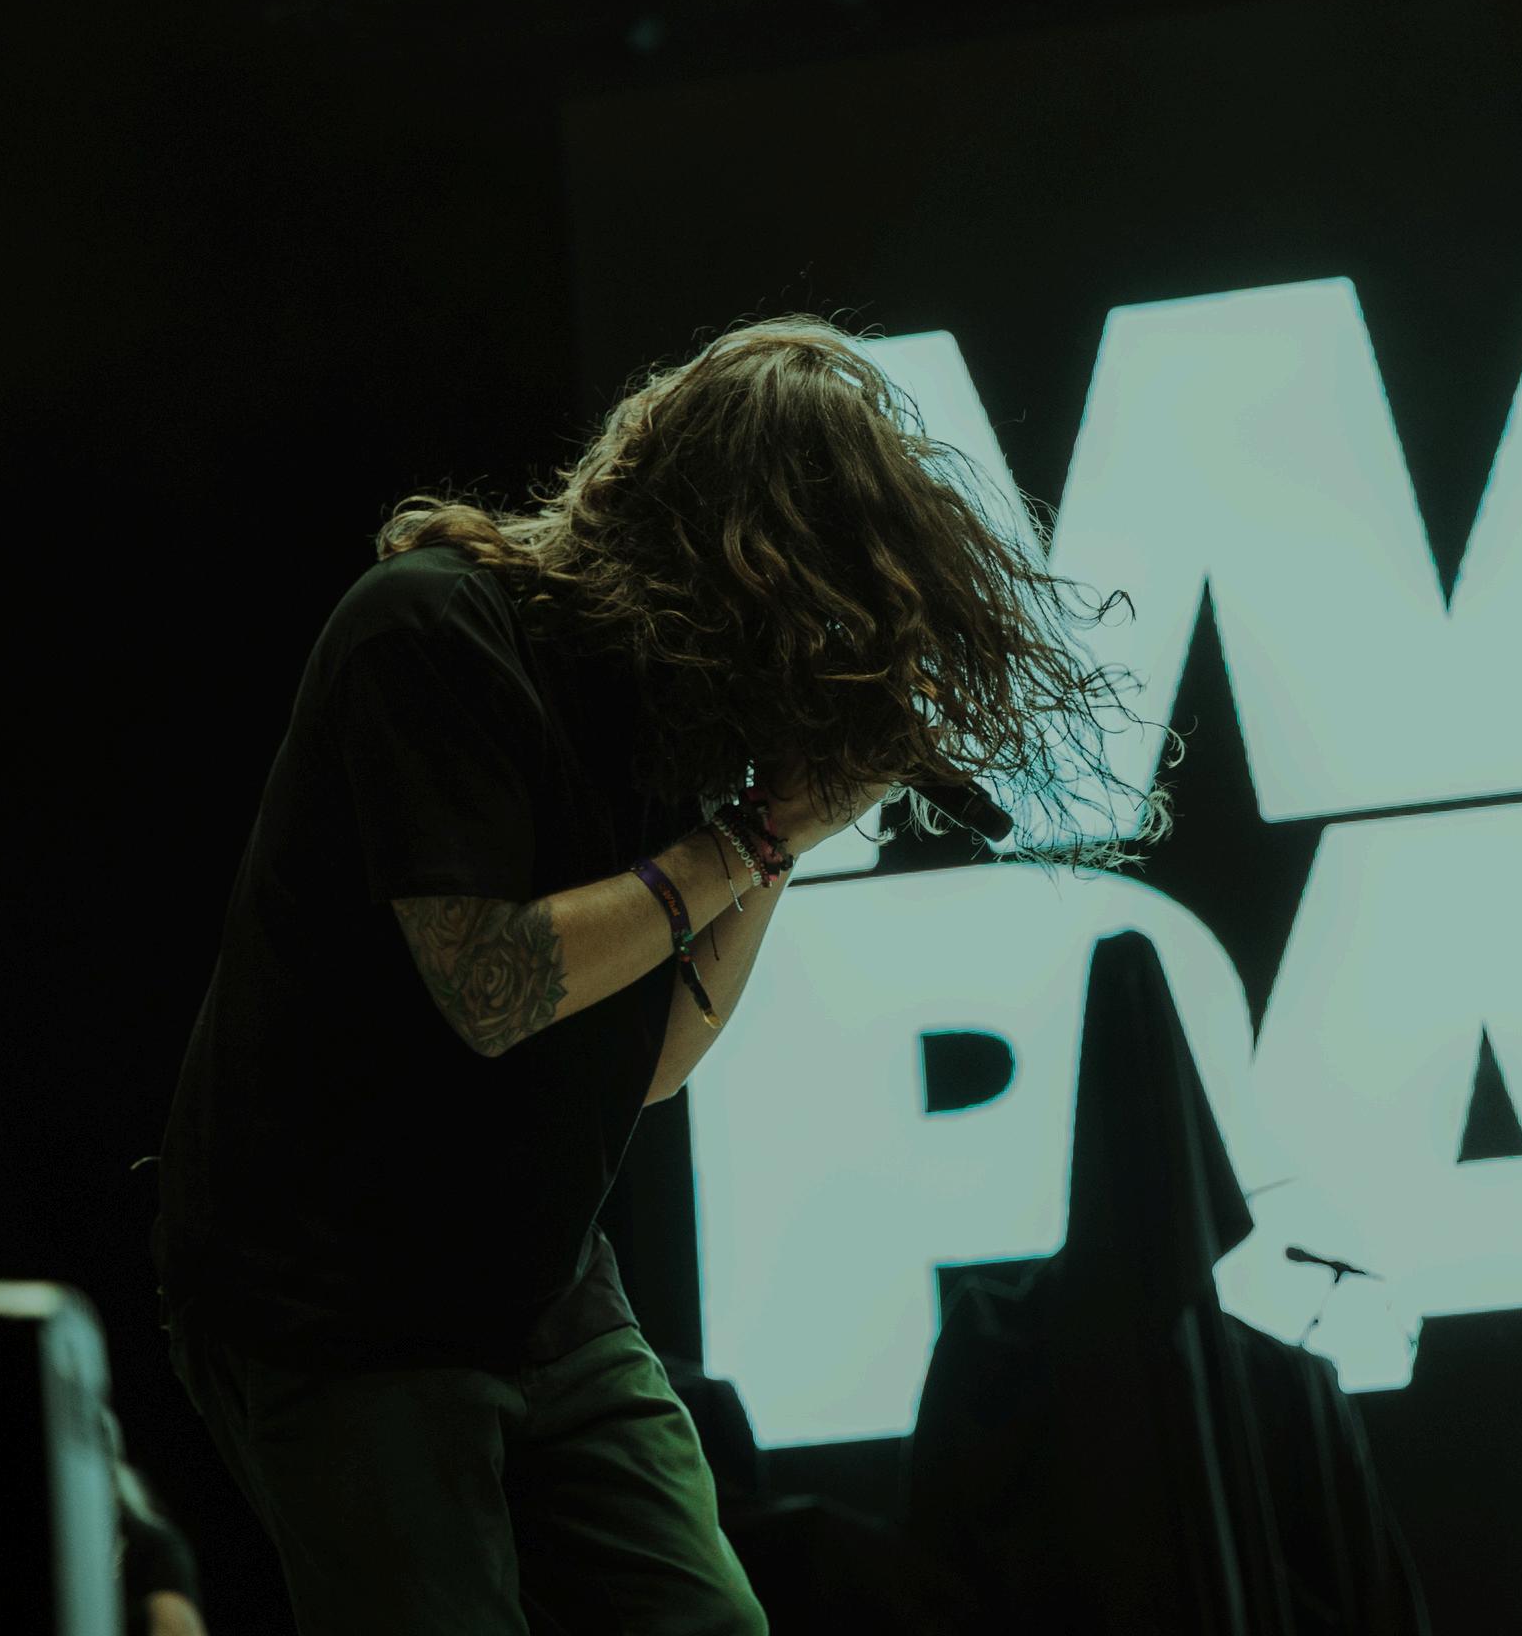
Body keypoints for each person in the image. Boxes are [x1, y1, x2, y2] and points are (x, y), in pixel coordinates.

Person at [151, 316, 1166, 1635]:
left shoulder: (662, 724)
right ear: (718, 552)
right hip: (336, 1304)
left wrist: (782, 838)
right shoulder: (436, 634)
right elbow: (494, 989)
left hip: (541, 1295)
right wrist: (745, 838)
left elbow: (658, 1065)